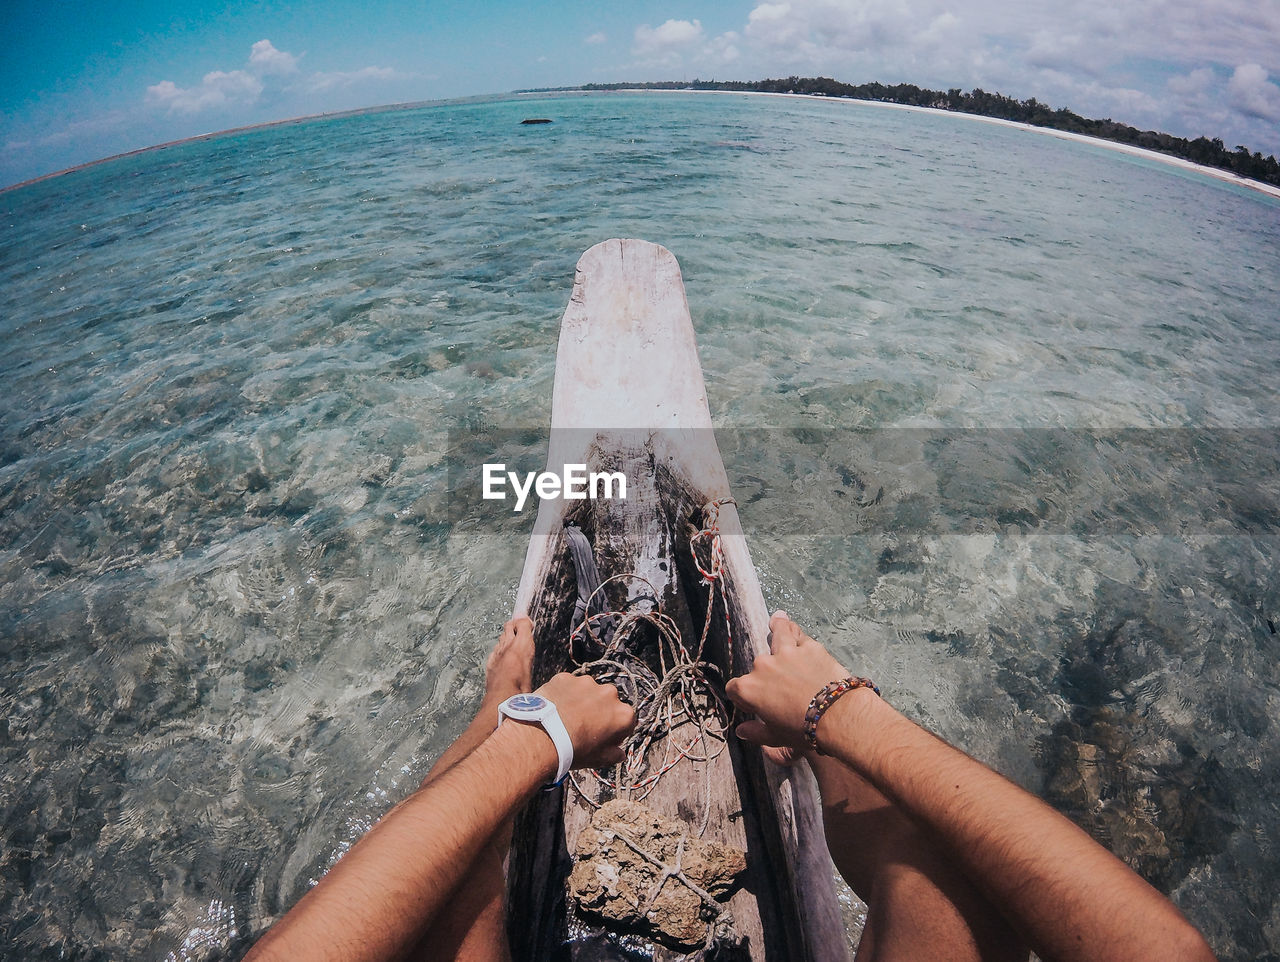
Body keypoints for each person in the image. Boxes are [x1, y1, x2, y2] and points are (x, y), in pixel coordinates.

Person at [246, 614, 1217, 962]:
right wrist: (841, 711)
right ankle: (793, 722)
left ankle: (499, 713)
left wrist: (534, 732)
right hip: (833, 722)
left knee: (445, 886)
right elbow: (1158, 947)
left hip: (531, 737)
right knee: (943, 861)